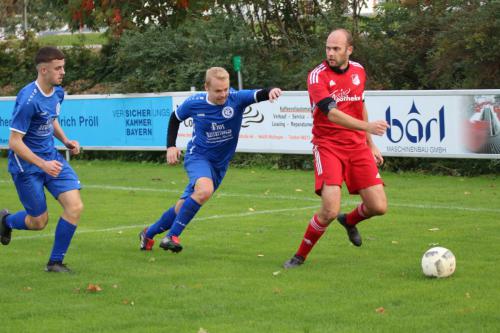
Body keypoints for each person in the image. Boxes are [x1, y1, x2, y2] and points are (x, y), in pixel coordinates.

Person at [139, 67, 282, 252]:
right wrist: (171, 146)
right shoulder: (194, 103)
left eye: (226, 89)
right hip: (198, 157)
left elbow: (260, 93)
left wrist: (271, 90)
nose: (223, 95)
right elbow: (174, 118)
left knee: (183, 206)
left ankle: (148, 234)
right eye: (218, 91)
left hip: (220, 165)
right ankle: (171, 237)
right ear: (206, 87)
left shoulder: (236, 99)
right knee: (205, 191)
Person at [283, 29, 389, 269]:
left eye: (336, 49)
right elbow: (331, 114)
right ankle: (299, 256)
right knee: (329, 210)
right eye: (328, 48)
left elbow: (358, 103)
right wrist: (369, 127)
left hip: (357, 146)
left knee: (378, 207)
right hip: (328, 146)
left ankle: (349, 221)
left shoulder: (359, 70)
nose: (330, 53)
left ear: (349, 50)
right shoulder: (316, 76)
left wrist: (370, 143)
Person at [0, 46, 83, 273]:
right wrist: (42, 164)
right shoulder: (28, 99)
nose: (62, 72)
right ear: (43, 70)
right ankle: (5, 220)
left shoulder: (58, 93)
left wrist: (65, 140)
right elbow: (14, 142)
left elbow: (51, 119)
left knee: (74, 206)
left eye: (63, 67)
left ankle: (55, 262)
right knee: (38, 222)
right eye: (58, 68)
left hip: (51, 159)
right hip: (26, 166)